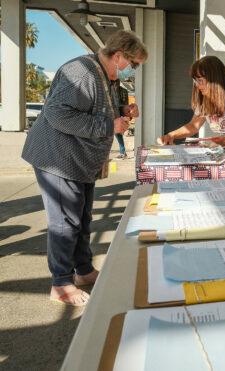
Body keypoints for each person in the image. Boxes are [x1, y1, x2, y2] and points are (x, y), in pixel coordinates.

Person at [21, 30, 147, 306]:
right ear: (118, 56)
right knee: (65, 222)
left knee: (82, 218)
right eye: (133, 64)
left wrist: (122, 112)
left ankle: (83, 269)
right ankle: (61, 283)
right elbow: (57, 113)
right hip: (58, 158)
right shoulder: (81, 72)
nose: (133, 70)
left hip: (79, 161)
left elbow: (95, 108)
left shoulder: (104, 75)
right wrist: (108, 125)